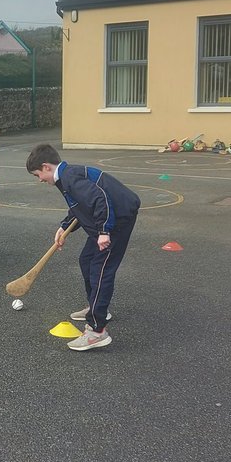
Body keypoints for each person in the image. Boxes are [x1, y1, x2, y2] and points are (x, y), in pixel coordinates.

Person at [27, 143, 141, 351]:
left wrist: (104, 231)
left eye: (38, 175)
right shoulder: (67, 176)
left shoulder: (69, 177)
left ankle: (97, 331)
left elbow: (100, 199)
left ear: (46, 167)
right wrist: (64, 227)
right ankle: (96, 307)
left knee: (100, 270)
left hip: (116, 221)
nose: (40, 180)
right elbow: (80, 205)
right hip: (108, 220)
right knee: (86, 260)